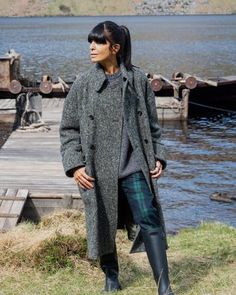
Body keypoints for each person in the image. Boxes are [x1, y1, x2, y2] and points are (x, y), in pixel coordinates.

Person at [60, 20, 174, 295]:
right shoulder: (84, 84)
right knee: (103, 223)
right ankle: (111, 276)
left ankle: (164, 286)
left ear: (115, 47)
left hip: (134, 165)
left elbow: (153, 126)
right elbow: (68, 129)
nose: (92, 46)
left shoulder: (137, 80)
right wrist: (75, 164)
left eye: (98, 41)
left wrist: (158, 156)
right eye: (91, 41)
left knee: (150, 218)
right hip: (97, 169)